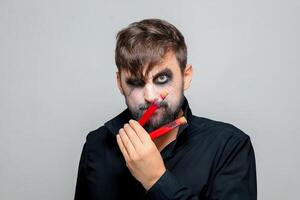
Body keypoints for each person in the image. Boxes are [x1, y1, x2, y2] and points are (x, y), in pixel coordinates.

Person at [74, 18, 257, 200]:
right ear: (120, 84)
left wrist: (157, 180)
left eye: (162, 79)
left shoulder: (230, 146)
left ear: (186, 77)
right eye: (136, 82)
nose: (151, 96)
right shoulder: (96, 145)